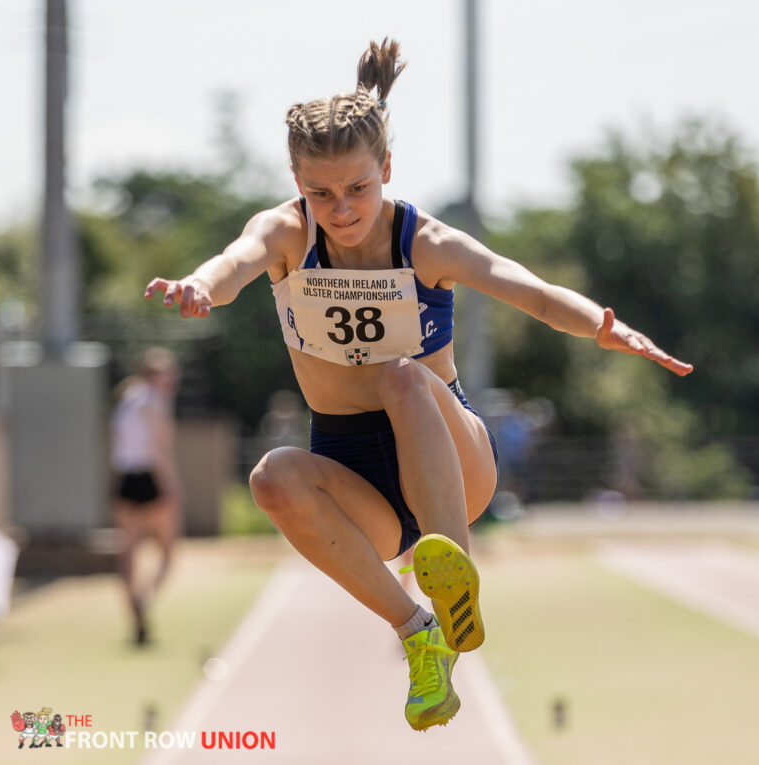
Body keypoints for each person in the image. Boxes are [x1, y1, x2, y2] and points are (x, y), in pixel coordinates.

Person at [145, 39, 692, 730]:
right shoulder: (284, 233)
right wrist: (198, 285)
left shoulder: (424, 241)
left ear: (387, 170)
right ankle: (417, 631)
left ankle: (450, 565)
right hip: (357, 474)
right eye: (320, 193)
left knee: (402, 378)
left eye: (357, 189)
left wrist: (604, 325)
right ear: (295, 180)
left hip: (451, 460)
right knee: (271, 478)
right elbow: (233, 262)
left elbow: (532, 291)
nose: (340, 210)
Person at [110, 347, 181, 646]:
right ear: (157, 375)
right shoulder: (155, 401)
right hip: (150, 478)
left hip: (124, 478)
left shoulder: (127, 397)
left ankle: (133, 608)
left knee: (130, 549)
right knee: (167, 550)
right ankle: (144, 598)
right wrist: (170, 487)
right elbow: (158, 449)